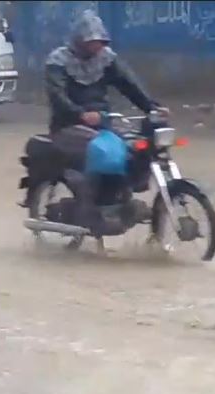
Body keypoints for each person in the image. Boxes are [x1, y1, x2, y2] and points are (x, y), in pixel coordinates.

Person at [44, 10, 165, 233]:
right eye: (91, 41)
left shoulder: (106, 58)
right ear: (79, 40)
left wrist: (152, 107)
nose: (96, 46)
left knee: (136, 147)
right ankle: (89, 210)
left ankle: (122, 197)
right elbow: (57, 96)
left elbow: (129, 85)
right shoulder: (58, 61)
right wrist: (80, 114)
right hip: (68, 126)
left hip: (103, 124)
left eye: (99, 41)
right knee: (102, 149)